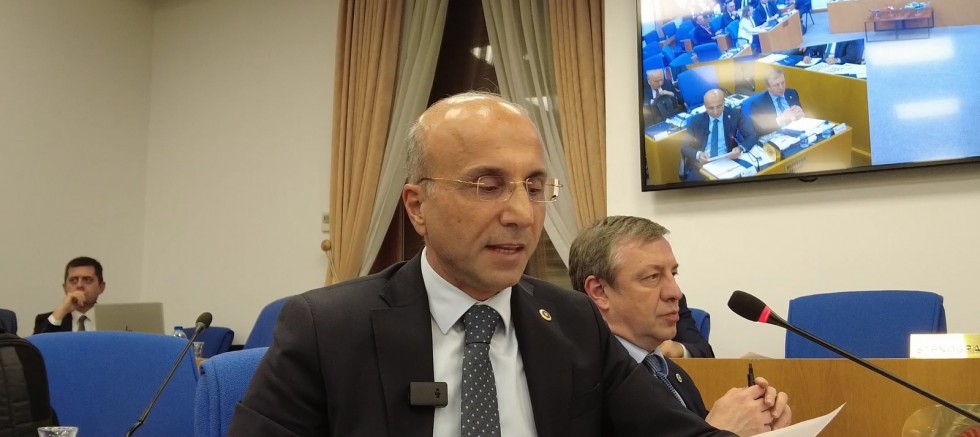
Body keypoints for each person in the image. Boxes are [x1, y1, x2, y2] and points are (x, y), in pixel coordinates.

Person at [229, 92, 735, 436]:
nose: (521, 214)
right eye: (487, 186)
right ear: (418, 207)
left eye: (534, 187)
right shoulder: (328, 329)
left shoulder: (574, 322)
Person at [568, 216, 792, 435]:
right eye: (652, 277)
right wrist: (719, 431)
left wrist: (761, 429)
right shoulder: (579, 389)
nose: (675, 292)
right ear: (600, 291)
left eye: (673, 273)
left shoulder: (671, 372)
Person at [681, 89, 758, 181]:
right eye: (711, 108)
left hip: (729, 160)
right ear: (705, 106)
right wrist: (698, 154)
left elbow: (751, 136)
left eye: (719, 106)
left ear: (724, 103)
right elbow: (685, 147)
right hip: (703, 164)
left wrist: (740, 148)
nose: (715, 111)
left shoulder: (735, 114)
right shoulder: (695, 121)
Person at [34, 256, 105, 334]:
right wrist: (61, 310)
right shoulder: (47, 319)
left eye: (87, 280)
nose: (79, 285)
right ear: (65, 288)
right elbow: (37, 341)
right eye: (73, 280)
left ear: (101, 287)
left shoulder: (112, 318)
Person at [748, 69, 804, 136]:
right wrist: (781, 118)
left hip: (796, 132)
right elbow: (760, 129)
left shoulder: (792, 93)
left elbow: (799, 115)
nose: (781, 87)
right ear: (768, 87)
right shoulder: (758, 103)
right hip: (776, 136)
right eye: (776, 85)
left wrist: (800, 113)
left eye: (783, 83)